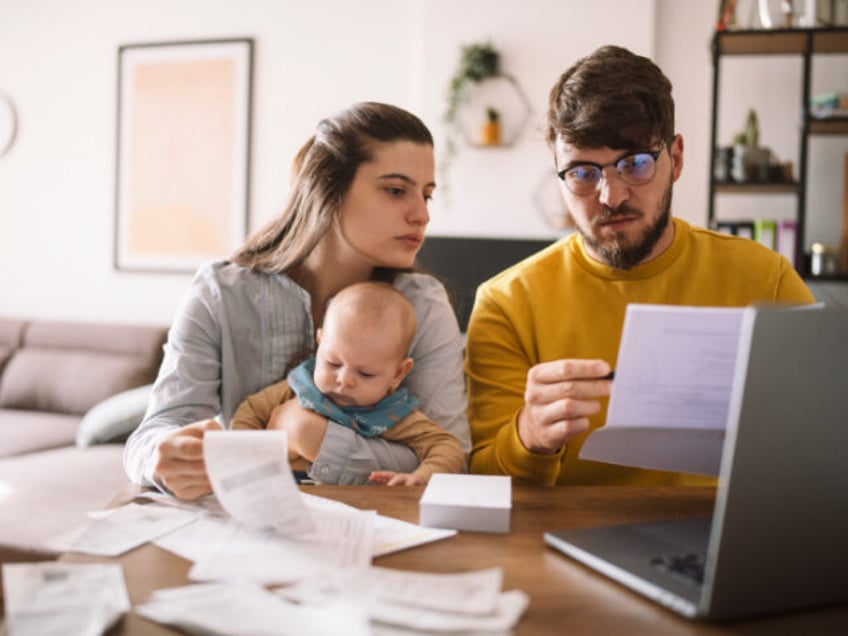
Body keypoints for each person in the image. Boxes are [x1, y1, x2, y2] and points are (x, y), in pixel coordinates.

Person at [465, 45, 815, 487]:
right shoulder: (506, 304)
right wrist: (529, 437)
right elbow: (482, 487)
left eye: (635, 164)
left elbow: (822, 441)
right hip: (563, 545)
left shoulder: (767, 279)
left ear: (678, 159)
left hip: (723, 540)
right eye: (582, 172)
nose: (611, 196)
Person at [124, 102, 470, 500]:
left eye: (426, 195)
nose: (422, 214)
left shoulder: (423, 305)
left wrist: (310, 436)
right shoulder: (220, 293)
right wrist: (163, 458)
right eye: (395, 191)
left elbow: (453, 457)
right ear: (327, 190)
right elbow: (152, 434)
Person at [231, 281, 464, 486]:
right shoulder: (299, 386)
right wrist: (242, 460)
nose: (344, 380)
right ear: (320, 343)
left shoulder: (392, 413)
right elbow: (250, 411)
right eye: (333, 363)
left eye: (365, 374)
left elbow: (448, 448)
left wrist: (422, 476)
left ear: (398, 374)